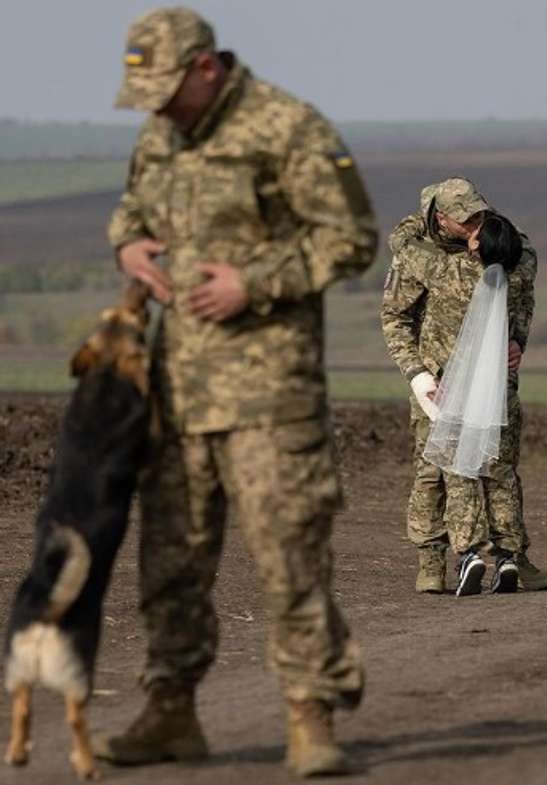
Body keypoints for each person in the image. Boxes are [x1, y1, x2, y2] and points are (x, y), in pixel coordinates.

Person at [92, 7, 378, 778]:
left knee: (290, 556)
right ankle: (170, 712)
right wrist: (128, 241)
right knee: (170, 562)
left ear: (207, 68)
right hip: (179, 391)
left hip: (268, 393)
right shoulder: (162, 132)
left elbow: (351, 237)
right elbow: (133, 204)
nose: (153, 106)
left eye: (164, 88)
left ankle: (309, 717)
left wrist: (254, 281)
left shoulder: (287, 127)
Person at [381, 177, 547, 596]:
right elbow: (395, 319)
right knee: (435, 472)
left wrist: (517, 342)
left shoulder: (442, 261)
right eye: (465, 220)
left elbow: (521, 307)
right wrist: (420, 376)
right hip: (436, 382)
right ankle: (433, 560)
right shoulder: (513, 251)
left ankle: (494, 556)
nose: (475, 224)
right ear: (440, 219)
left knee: (488, 467)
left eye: (478, 215)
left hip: (483, 380)